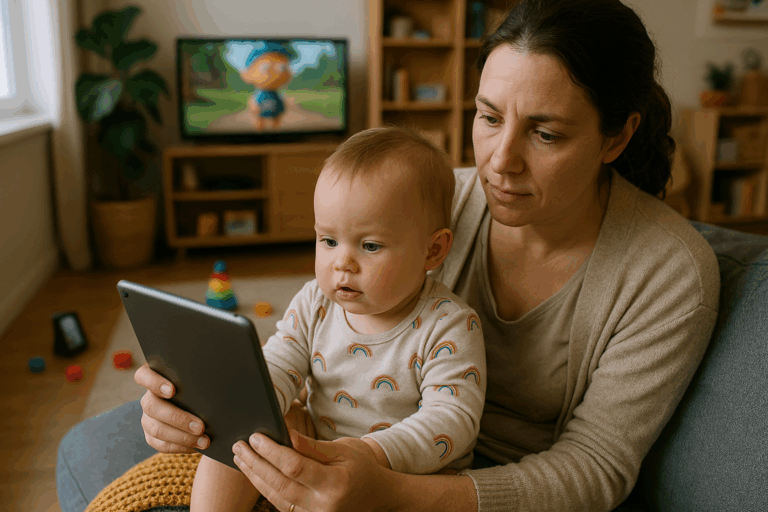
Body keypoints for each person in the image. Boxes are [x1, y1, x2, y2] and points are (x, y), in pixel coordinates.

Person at [134, 0, 721, 510]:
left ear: (616, 137)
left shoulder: (667, 274)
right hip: (345, 457)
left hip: (460, 486)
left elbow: (594, 470)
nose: (500, 162)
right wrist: (199, 403)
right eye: (489, 117)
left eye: (545, 134)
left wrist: (386, 490)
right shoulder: (424, 205)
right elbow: (296, 351)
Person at [187, 126, 488, 512]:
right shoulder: (315, 301)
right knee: (251, 422)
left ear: (432, 251)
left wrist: (371, 455)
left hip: (403, 476)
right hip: (319, 447)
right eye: (328, 241)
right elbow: (279, 361)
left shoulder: (449, 325)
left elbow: (451, 420)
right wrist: (252, 403)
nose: (342, 263)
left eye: (370, 245)